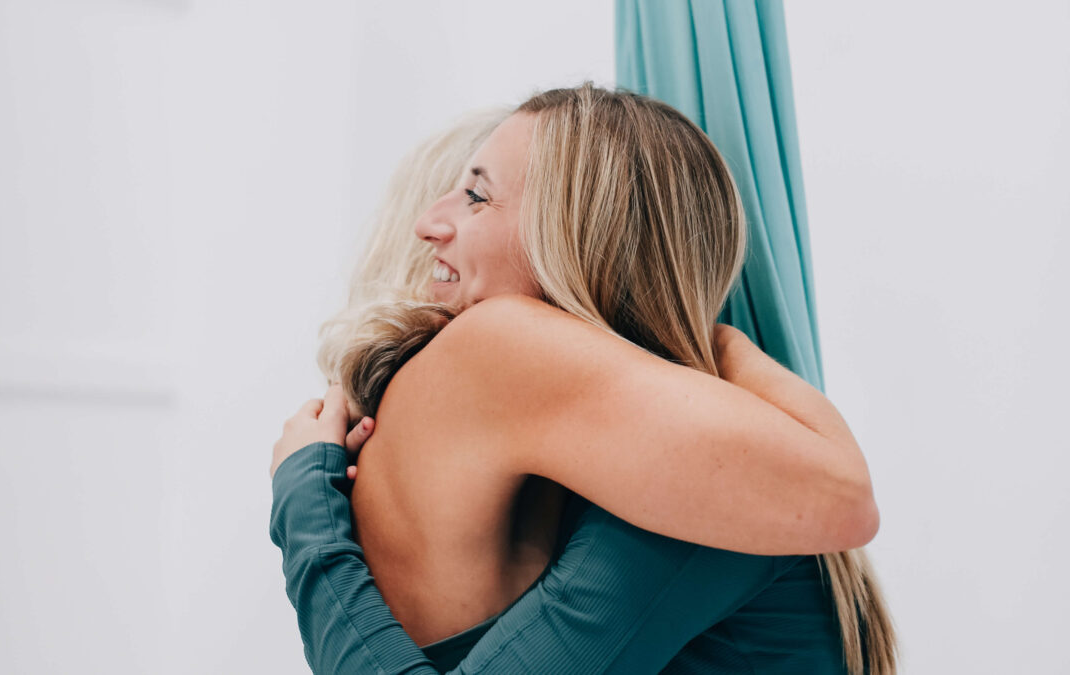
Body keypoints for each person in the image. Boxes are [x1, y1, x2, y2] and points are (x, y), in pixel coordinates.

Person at [270, 84, 896, 673]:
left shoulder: (506, 348)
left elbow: (846, 498)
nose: (426, 224)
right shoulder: (647, 456)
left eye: (477, 195)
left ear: (576, 239)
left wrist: (307, 511)